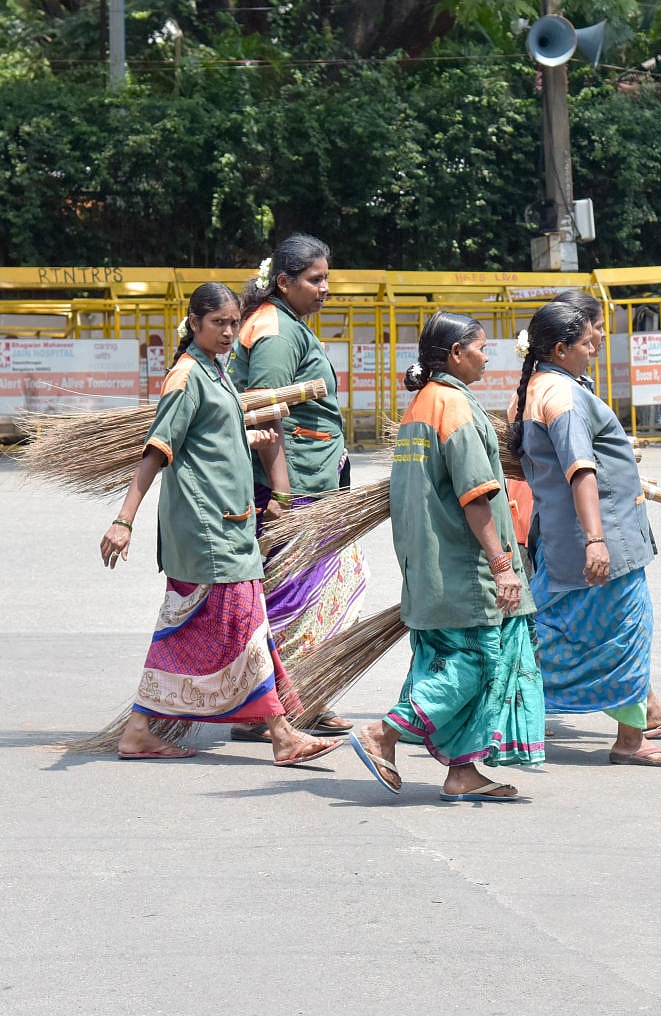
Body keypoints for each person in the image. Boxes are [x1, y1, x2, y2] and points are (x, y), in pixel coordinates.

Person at [99, 282, 341, 766]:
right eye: (218, 324)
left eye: (233, 323)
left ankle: (142, 729)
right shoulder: (186, 377)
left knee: (203, 630)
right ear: (194, 324)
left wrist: (251, 444)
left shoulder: (218, 372)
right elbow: (157, 451)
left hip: (230, 526)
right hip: (206, 530)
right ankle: (281, 731)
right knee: (246, 622)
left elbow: (210, 441)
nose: (229, 332)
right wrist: (123, 520)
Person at [349, 310, 545, 802]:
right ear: (456, 353)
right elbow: (475, 495)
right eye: (480, 347)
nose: (486, 355)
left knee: (444, 662)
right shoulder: (454, 409)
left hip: (428, 567)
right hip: (464, 569)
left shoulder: (422, 406)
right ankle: (384, 734)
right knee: (476, 663)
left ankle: (463, 772)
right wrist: (502, 565)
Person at [509, 299, 661, 766]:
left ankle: (500, 704)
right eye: (588, 341)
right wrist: (596, 540)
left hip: (560, 539)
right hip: (598, 541)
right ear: (562, 348)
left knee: (547, 629)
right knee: (626, 633)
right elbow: (580, 470)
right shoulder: (561, 397)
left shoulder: (536, 389)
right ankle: (631, 741)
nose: (596, 346)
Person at [226, 235, 367, 743]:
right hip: (292, 489)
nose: (325, 288)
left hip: (311, 481)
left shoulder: (285, 323)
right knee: (301, 594)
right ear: (284, 282)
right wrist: (283, 496)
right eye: (315, 279)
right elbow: (266, 414)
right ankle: (273, 705)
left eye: (326, 277)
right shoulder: (276, 333)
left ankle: (297, 695)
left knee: (309, 591)